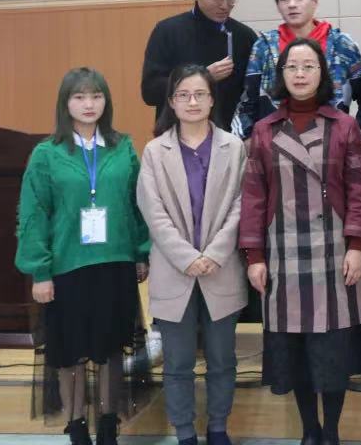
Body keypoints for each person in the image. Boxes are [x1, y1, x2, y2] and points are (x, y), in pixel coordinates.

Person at [240, 37, 361, 445]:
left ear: (322, 73)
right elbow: (253, 197)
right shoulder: (263, 131)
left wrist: (357, 246)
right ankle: (309, 431)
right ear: (281, 75)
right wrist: (254, 255)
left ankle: (331, 431)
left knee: (332, 350)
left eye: (308, 66)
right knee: (296, 347)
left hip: (335, 250)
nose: (300, 74)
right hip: (282, 252)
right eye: (292, 67)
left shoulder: (344, 125)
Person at [15, 68, 152, 445]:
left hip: (115, 264)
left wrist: (141, 252)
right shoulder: (47, 154)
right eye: (79, 97)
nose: (89, 104)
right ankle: (76, 426)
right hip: (67, 268)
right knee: (70, 352)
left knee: (111, 348)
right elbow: (33, 214)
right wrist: (40, 271)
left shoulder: (123, 147)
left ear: (106, 101)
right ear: (65, 103)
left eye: (96, 96)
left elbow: (137, 204)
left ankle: (108, 424)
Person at [137, 65, 248, 445]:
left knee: (223, 360)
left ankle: (218, 428)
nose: (192, 102)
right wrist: (187, 257)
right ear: (171, 102)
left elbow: (241, 205)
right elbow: (152, 211)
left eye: (200, 94)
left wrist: (214, 253)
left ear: (212, 99)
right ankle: (184, 432)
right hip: (174, 270)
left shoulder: (234, 148)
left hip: (222, 267)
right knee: (178, 362)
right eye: (183, 95)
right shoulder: (155, 151)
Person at [232, 0, 361, 139]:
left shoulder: (342, 45)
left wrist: (355, 134)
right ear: (277, 4)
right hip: (276, 144)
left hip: (333, 144)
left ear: (315, 1)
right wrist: (248, 139)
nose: (291, 4)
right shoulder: (264, 47)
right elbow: (248, 102)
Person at [142, 0, 258, 131]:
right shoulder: (168, 31)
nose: (225, 5)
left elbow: (254, 95)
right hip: (177, 136)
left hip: (230, 136)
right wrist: (204, 76)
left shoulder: (244, 36)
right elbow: (150, 92)